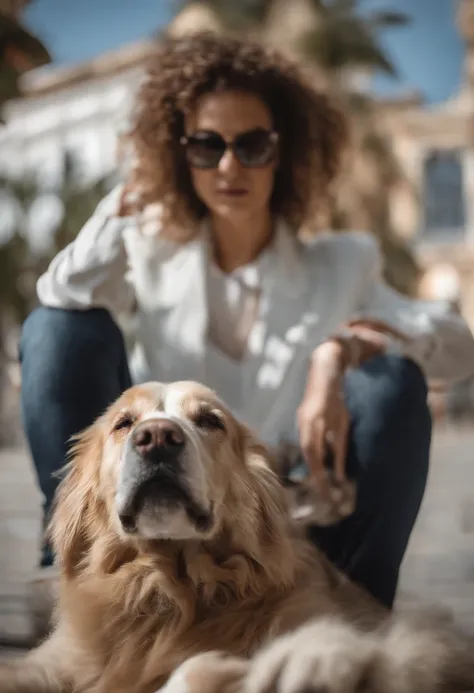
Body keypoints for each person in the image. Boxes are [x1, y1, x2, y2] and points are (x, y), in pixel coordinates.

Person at [20, 33, 474, 616]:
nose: (230, 165)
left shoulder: (341, 263)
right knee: (56, 329)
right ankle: (69, 567)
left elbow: (458, 347)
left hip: (290, 521)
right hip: (162, 491)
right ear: (180, 156)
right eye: (206, 147)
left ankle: (359, 606)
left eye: (252, 144)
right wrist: (129, 196)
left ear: (285, 153)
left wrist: (339, 350)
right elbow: (59, 296)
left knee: (390, 381)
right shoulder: (151, 253)